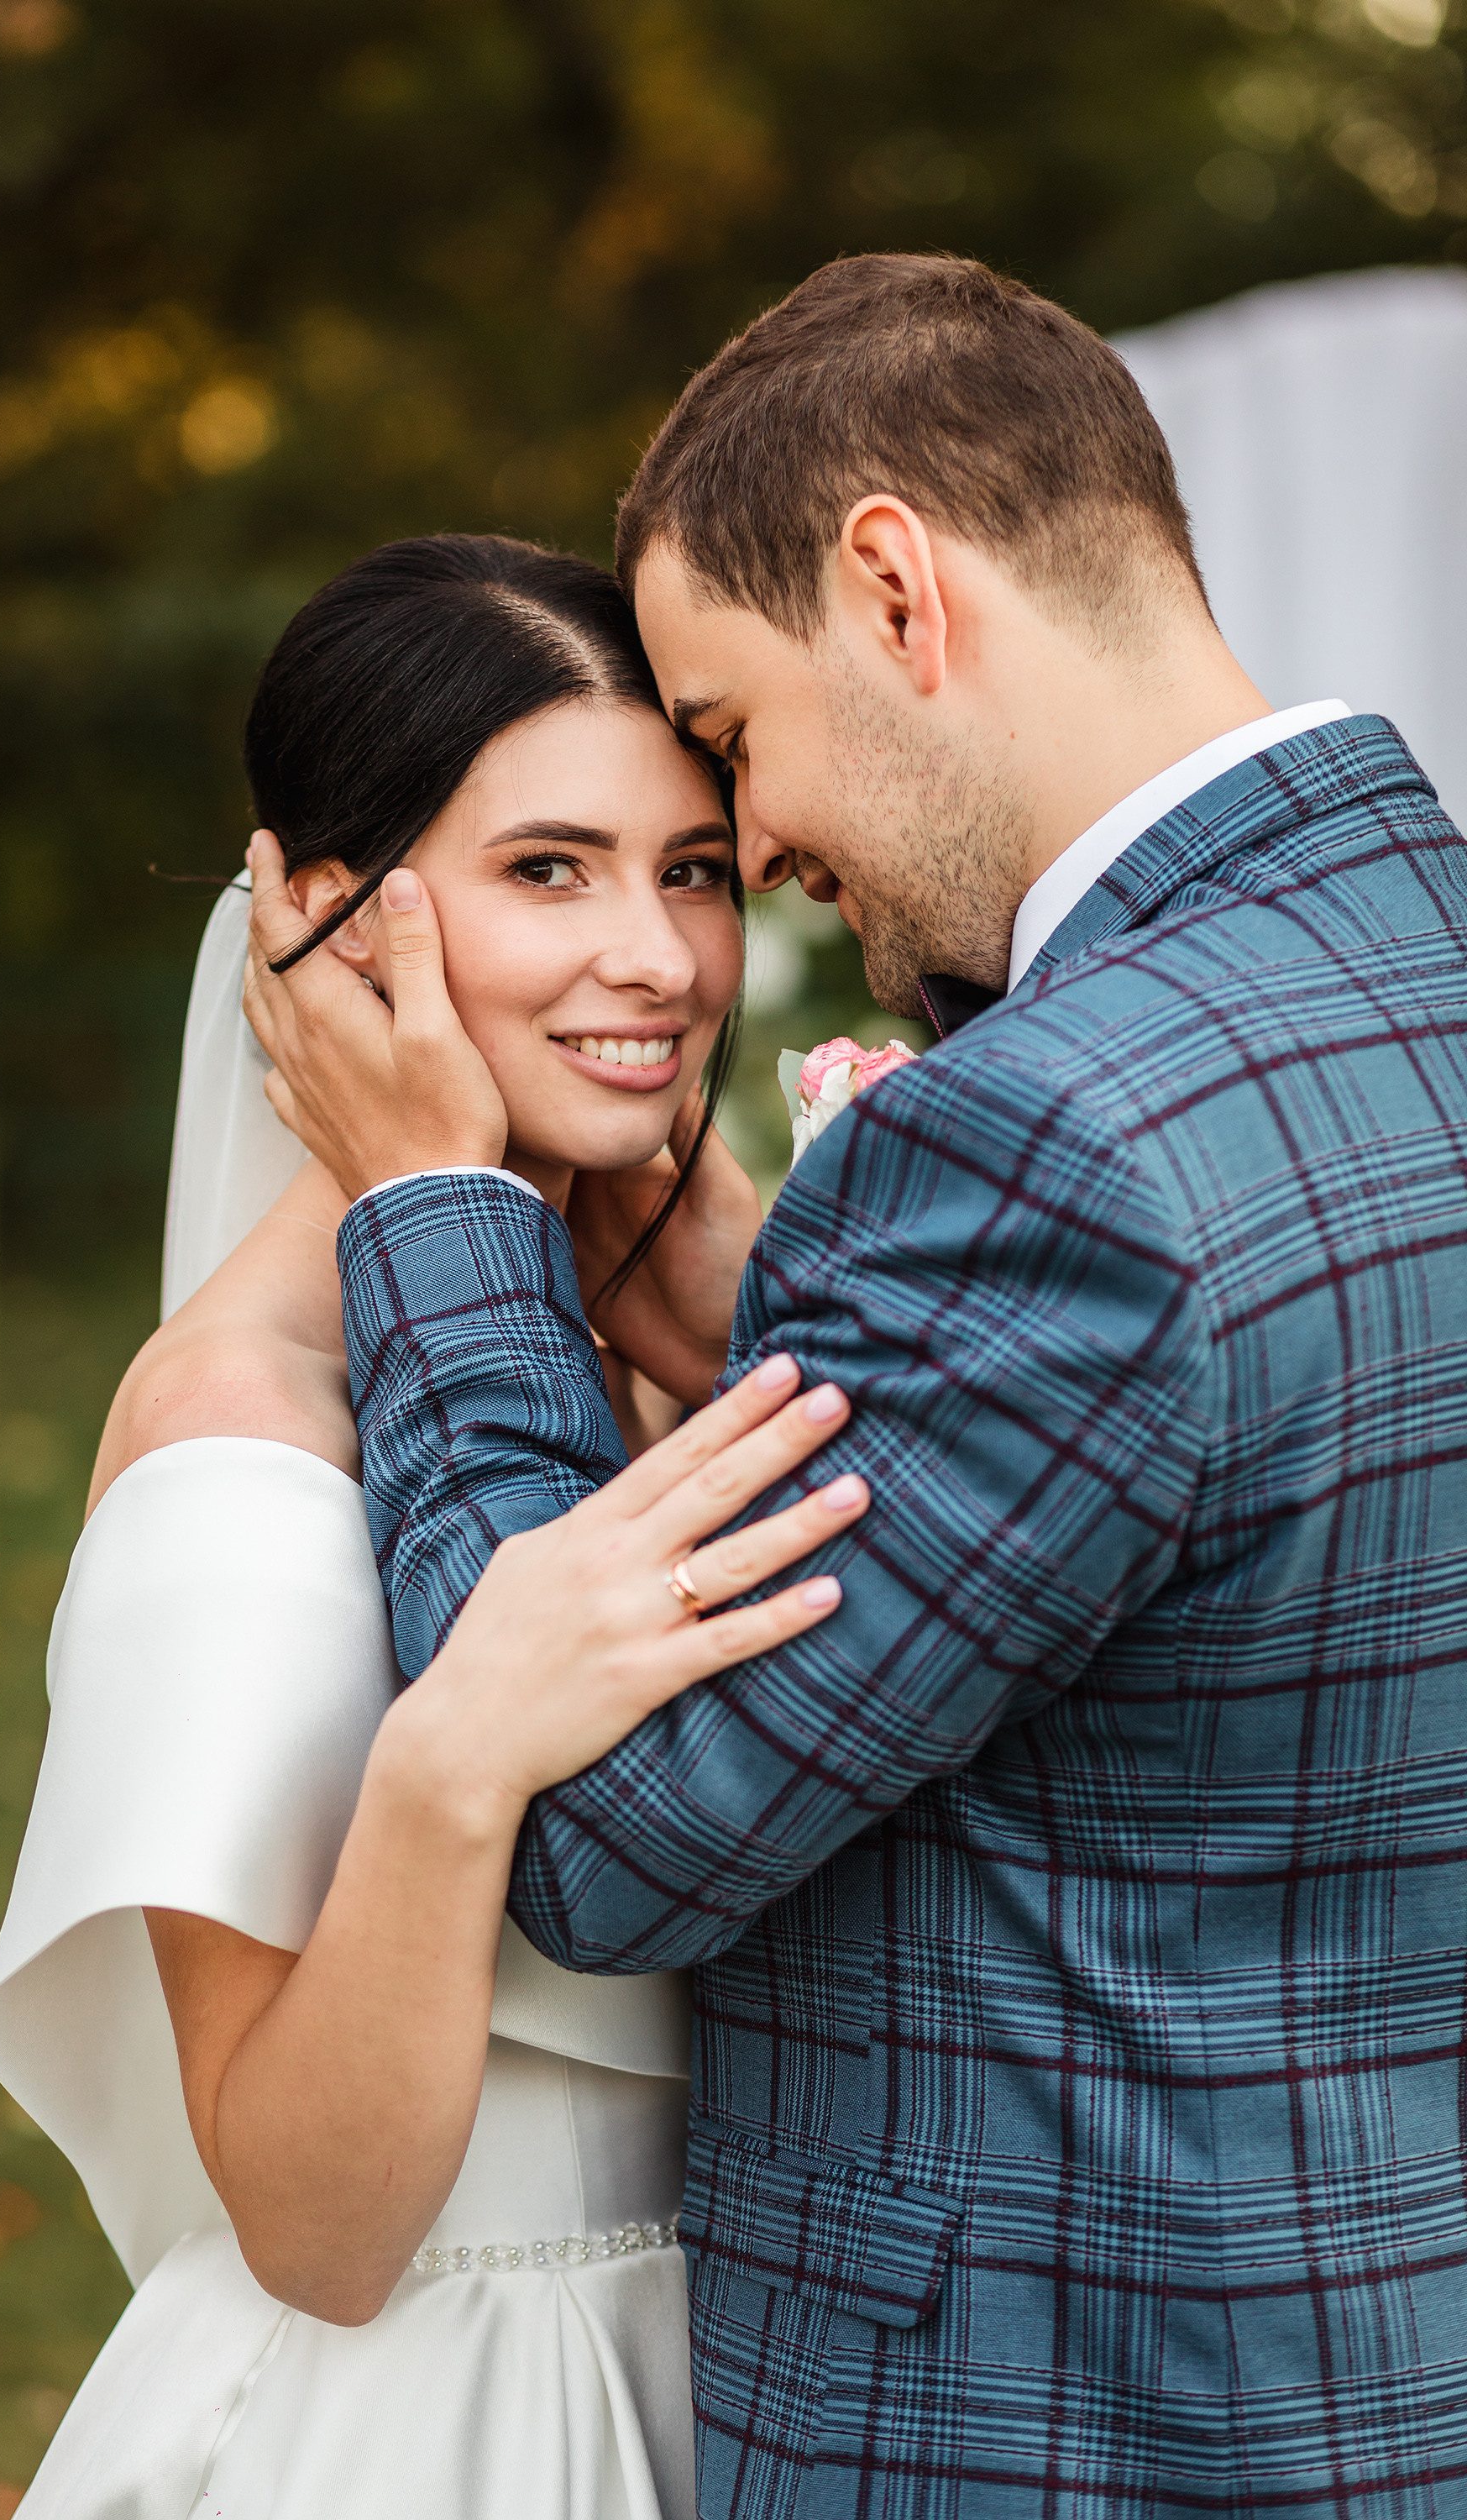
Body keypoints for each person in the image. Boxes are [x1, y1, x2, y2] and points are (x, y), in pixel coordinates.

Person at [243, 256, 1467, 2518]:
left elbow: (607, 1836)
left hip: (1072, 2435)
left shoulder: (1059, 1134)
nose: (758, 850)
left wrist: (442, 1214)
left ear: (897, 591)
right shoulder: (1416, 967)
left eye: (726, 733)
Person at [0, 535, 872, 2520]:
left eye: (692, 870)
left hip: (764, 2387)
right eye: (547, 869)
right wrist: (459, 1756)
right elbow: (315, 2222)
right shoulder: (236, 1444)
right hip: (447, 2428)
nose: (654, 956)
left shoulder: (675, 1355)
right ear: (323, 920)